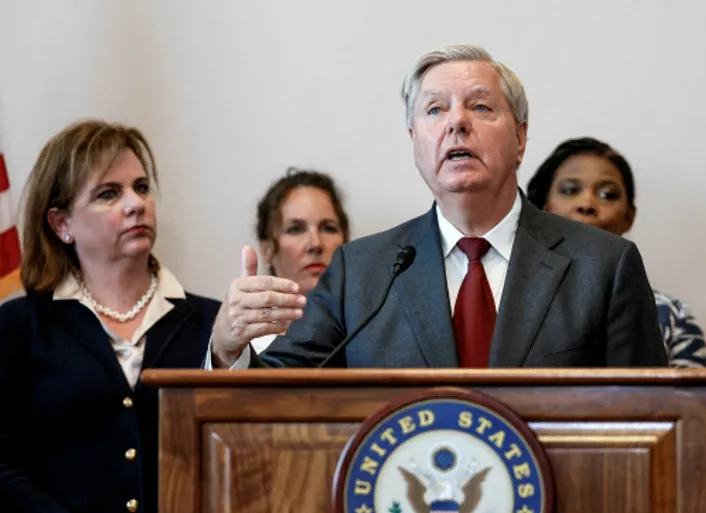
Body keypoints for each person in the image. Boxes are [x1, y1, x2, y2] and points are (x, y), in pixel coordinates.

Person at [207, 44, 667, 370]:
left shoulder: (603, 267)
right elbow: (277, 394)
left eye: (481, 107)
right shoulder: (360, 273)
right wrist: (228, 348)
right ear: (414, 141)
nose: (457, 123)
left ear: (521, 137)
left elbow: (650, 419)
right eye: (435, 110)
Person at [0, 121, 221, 513]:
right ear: (62, 223)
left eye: (141, 187)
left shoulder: (213, 323)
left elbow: (236, 458)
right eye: (109, 193)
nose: (136, 204)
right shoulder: (22, 324)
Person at [526, 137, 706, 368]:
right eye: (570, 190)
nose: (587, 203)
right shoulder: (508, 300)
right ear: (543, 208)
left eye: (607, 195)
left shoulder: (670, 315)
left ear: (628, 216)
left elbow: (693, 404)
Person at [250, 168, 350, 353]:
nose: (315, 244)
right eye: (295, 229)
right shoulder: (243, 341)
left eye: (328, 228)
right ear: (267, 249)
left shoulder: (372, 327)